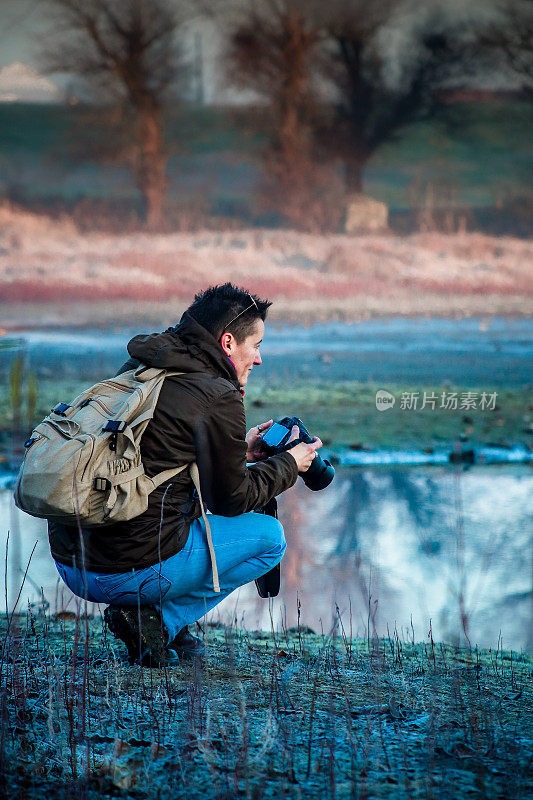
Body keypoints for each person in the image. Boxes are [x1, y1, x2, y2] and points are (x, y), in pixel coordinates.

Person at [49, 283, 322, 665]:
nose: (258, 358)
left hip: (72, 563)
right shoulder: (217, 394)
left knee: (177, 515)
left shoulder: (143, 368)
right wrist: (290, 464)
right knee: (270, 539)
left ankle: (161, 624)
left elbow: (158, 453)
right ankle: (160, 622)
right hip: (123, 570)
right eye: (255, 345)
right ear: (228, 343)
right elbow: (230, 499)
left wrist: (239, 449)